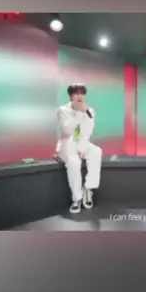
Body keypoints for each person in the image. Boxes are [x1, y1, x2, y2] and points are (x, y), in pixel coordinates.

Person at [55, 83, 102, 214]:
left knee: (96, 151)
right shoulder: (62, 110)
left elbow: (87, 133)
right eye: (76, 93)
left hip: (82, 143)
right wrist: (80, 113)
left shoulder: (90, 111)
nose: (80, 96)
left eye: (82, 93)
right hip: (67, 145)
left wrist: (82, 148)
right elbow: (68, 129)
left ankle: (88, 188)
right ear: (71, 96)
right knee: (74, 161)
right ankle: (76, 198)